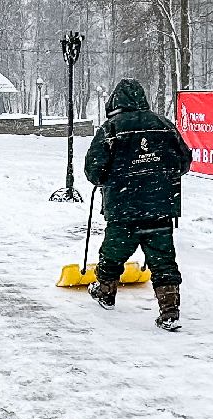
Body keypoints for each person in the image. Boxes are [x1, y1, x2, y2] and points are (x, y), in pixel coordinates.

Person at [83, 79, 193, 331]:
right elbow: (184, 162)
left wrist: (113, 177)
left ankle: (105, 291)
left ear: (116, 102)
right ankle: (169, 310)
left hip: (123, 209)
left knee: (112, 254)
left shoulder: (111, 129)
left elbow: (93, 170)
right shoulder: (164, 126)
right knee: (163, 259)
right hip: (159, 209)